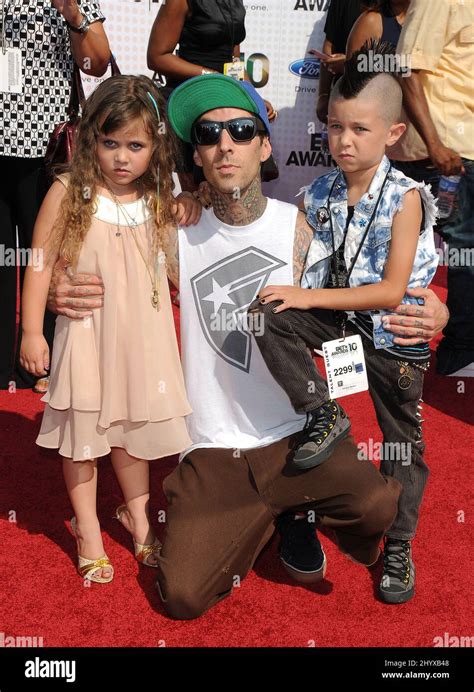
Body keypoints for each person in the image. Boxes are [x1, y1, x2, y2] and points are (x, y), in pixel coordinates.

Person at [46, 75, 448, 619]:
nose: (225, 144)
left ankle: (290, 511)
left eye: (240, 129)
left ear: (264, 144)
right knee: (182, 596)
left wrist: (432, 308)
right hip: (212, 449)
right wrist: (55, 290)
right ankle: (270, 516)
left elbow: (363, 291)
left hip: (297, 438)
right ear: (197, 154)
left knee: (379, 504)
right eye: (209, 135)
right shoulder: (169, 228)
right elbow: (98, 253)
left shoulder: (306, 228)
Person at [250, 46, 439, 604]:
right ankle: (323, 412)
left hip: (394, 336)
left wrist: (307, 295)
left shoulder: (405, 198)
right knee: (268, 314)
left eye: (360, 128)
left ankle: (399, 546)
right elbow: (290, 261)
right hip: (338, 327)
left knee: (401, 446)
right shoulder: (318, 194)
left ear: (394, 133)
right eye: (335, 126)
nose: (344, 141)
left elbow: (387, 291)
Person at [19, 75, 200, 583]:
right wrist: (32, 330)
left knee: (131, 434)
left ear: (156, 146)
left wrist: (190, 204)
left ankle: (139, 520)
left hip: (141, 342)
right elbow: (39, 261)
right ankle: (87, 528)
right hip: (85, 335)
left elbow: (178, 260)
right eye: (110, 143)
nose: (122, 157)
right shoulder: (69, 190)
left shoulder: (160, 195)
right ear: (91, 139)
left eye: (136, 145)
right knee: (82, 435)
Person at [0, 0, 111, 394]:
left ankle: (41, 358)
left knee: (44, 256)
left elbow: (97, 63)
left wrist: (75, 16)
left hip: (44, 142)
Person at [396, 0, 474, 376]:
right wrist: (435, 145)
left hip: (463, 147)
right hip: (445, 153)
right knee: (461, 249)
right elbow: (406, 68)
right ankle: (458, 353)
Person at [146, 0, 275, 190]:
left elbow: (232, 58)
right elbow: (157, 57)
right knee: (198, 192)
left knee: (231, 184)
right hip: (191, 98)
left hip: (224, 95)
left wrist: (250, 94)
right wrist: (211, 75)